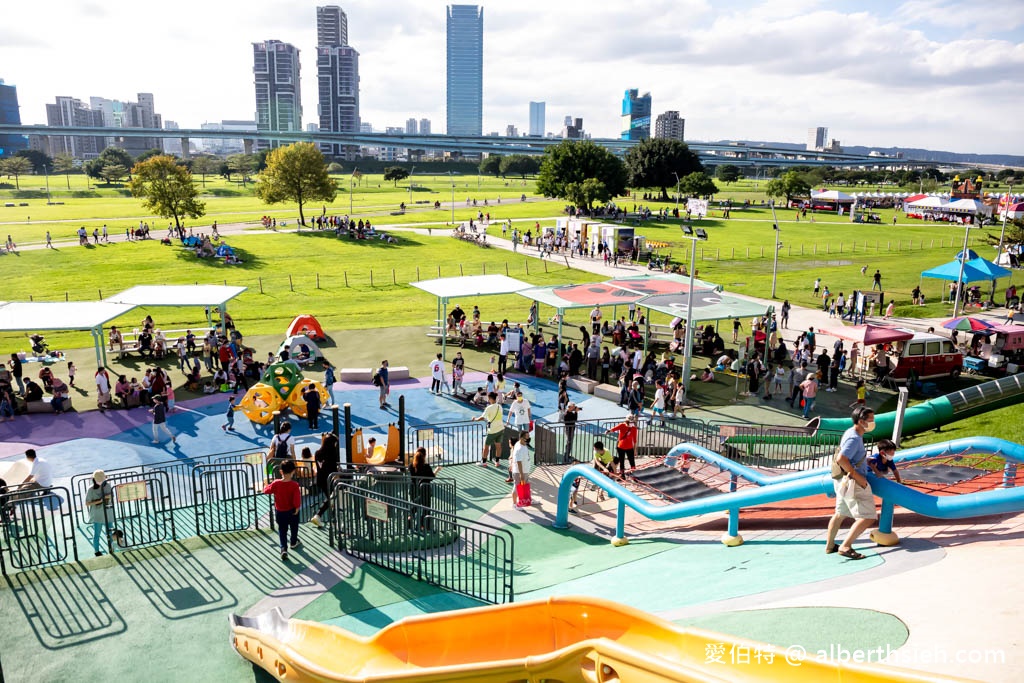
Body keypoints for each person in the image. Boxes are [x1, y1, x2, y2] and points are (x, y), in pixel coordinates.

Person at [825, 406, 878, 560]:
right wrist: (856, 475)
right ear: (861, 421)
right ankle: (845, 546)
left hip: (841, 480)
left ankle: (830, 545)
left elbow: (848, 456)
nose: (873, 422)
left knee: (840, 513)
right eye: (871, 420)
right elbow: (842, 458)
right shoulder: (854, 438)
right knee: (867, 517)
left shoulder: (851, 432)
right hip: (853, 482)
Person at [264, 460, 302, 561]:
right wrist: (297, 508)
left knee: (282, 530)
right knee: (294, 527)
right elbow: (296, 499)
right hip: (292, 511)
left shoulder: (276, 483)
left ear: (281, 472)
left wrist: (266, 485)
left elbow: (266, 490)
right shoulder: (294, 485)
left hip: (280, 512)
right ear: (293, 471)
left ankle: (283, 548)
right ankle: (293, 542)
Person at [569, 441, 614, 512]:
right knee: (571, 493)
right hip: (572, 485)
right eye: (575, 464)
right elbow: (596, 461)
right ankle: (570, 507)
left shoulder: (607, 454)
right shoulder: (572, 472)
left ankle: (575, 502)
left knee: (575, 492)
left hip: (576, 484)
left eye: (578, 464)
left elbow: (611, 463)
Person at [309, 432, 341, 527]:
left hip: (320, 479)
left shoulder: (317, 453)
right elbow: (333, 469)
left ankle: (332, 518)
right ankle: (319, 515)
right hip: (329, 480)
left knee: (331, 499)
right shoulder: (332, 454)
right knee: (332, 498)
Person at [84, 470, 113, 556]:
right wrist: (100, 500)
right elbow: (87, 503)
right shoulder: (91, 489)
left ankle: (106, 549)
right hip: (101, 514)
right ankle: (99, 550)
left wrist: (105, 498)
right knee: (100, 533)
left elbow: (112, 495)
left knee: (107, 533)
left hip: (106, 513)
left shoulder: (107, 486)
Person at [472, 392, 505, 467]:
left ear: (490, 398)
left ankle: (483, 462)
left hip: (492, 430)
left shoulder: (489, 408)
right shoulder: (500, 406)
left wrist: (475, 419)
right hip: (500, 428)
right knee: (498, 446)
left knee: (486, 447)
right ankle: (497, 461)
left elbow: (482, 417)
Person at [509, 433, 531, 503]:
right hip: (520, 472)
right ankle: (514, 503)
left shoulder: (522, 444)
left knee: (526, 485)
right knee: (516, 486)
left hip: (525, 470)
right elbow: (519, 462)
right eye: (526, 437)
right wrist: (521, 474)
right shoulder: (519, 448)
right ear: (521, 438)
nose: (528, 439)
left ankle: (528, 499)